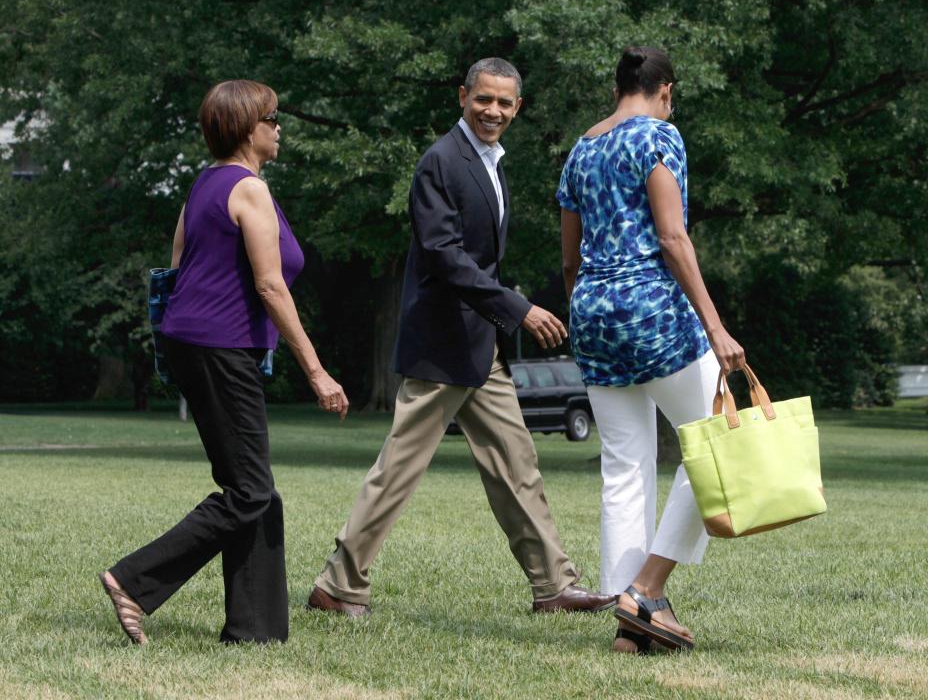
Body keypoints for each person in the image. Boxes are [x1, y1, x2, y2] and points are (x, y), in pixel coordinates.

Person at [306, 58, 614, 617]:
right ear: (462, 97)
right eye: (483, 100)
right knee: (399, 470)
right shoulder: (441, 162)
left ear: (518, 107)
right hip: (441, 347)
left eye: (504, 102)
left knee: (518, 466)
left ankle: (554, 586)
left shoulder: (492, 162)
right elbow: (445, 258)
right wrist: (517, 309)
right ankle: (338, 587)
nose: (492, 111)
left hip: (481, 347)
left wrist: (500, 319)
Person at [99, 79, 349, 645]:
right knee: (249, 492)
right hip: (219, 348)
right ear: (247, 128)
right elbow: (270, 284)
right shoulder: (247, 190)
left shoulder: (203, 186)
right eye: (272, 119)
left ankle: (254, 629)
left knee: (252, 486)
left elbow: (177, 268)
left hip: (197, 346)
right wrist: (316, 370)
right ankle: (132, 581)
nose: (278, 128)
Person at [557, 47, 745, 653]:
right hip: (653, 311)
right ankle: (647, 589)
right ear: (664, 89)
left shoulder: (580, 151)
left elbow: (568, 259)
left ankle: (629, 625)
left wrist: (593, 314)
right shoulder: (659, 137)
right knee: (718, 445)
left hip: (592, 313)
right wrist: (715, 327)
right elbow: (671, 236)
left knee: (625, 468)